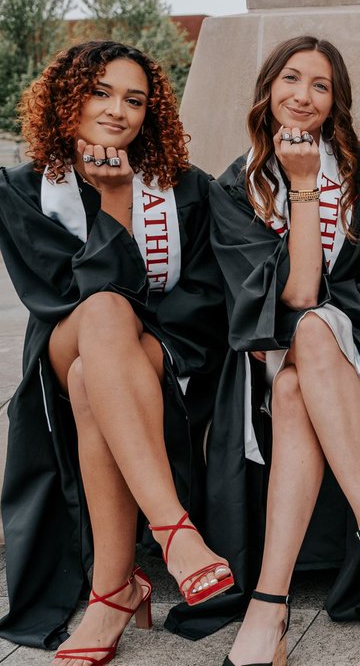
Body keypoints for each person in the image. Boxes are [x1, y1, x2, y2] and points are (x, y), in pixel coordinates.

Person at [175, 36, 360, 661]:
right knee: (300, 352)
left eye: (321, 85)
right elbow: (295, 295)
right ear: (268, 88)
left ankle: (269, 608)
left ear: (336, 99)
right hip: (270, 353)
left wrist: (310, 182)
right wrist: (303, 185)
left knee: (312, 343)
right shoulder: (236, 186)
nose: (304, 96)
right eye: (292, 79)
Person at [0, 41, 229, 664]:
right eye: (100, 93)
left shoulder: (185, 189)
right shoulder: (22, 189)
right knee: (101, 315)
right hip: (69, 331)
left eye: (135, 99)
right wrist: (112, 204)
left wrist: (128, 197)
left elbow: (202, 299)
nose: (118, 111)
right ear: (66, 102)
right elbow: (62, 294)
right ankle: (173, 531)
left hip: (163, 351)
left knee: (93, 378)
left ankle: (114, 591)